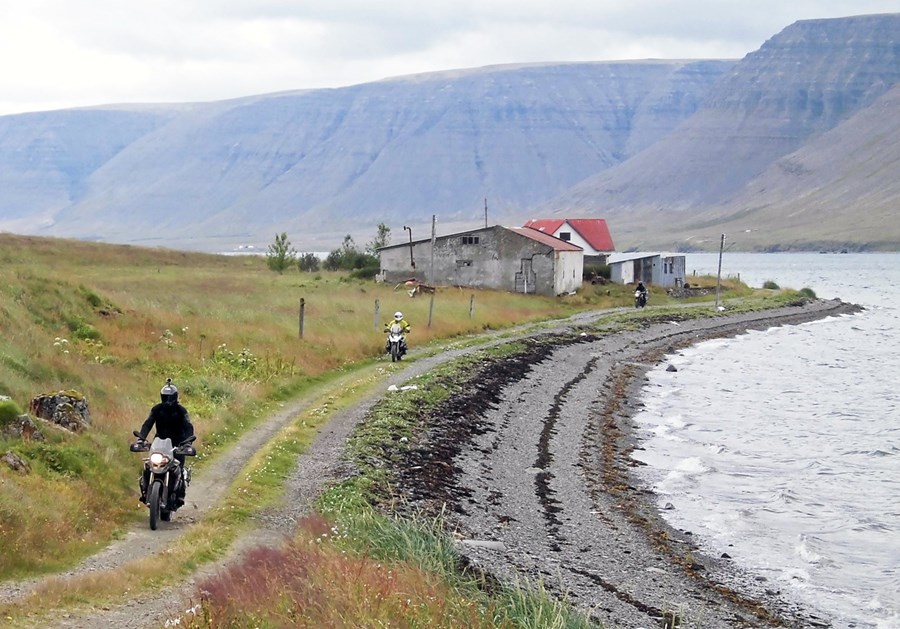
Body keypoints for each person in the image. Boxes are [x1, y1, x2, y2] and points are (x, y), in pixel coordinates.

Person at [136, 378, 195, 507]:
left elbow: (188, 426)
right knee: (148, 466)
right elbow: (147, 424)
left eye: (170, 397)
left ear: (175, 397)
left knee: (178, 468)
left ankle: (179, 494)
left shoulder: (181, 411)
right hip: (159, 443)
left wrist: (187, 442)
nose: (167, 400)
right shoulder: (157, 409)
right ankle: (145, 491)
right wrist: (141, 438)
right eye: (165, 397)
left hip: (177, 445)